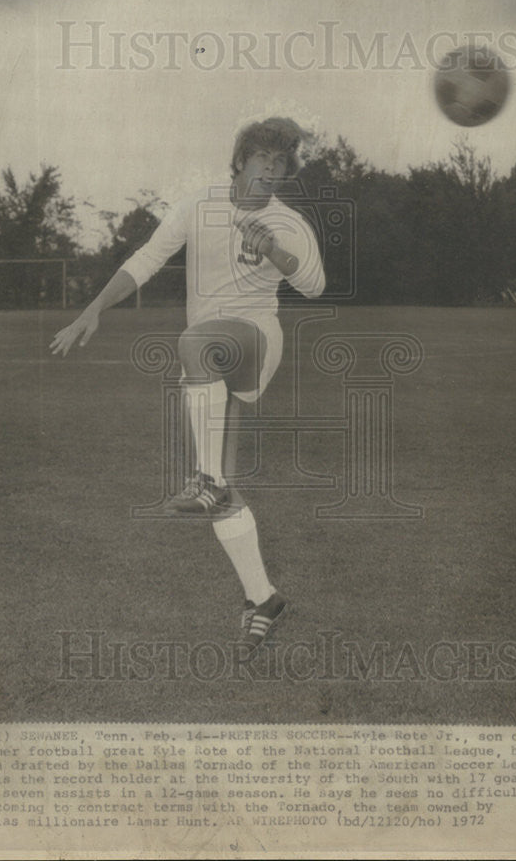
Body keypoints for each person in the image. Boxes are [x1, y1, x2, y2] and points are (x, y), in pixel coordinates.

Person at [50, 117, 326, 652]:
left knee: (195, 345)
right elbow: (149, 257)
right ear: (241, 158)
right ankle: (264, 597)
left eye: (282, 163)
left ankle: (206, 478)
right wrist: (93, 308)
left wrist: (274, 250)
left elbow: (313, 286)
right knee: (222, 489)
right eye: (263, 159)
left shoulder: (287, 223)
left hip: (254, 342)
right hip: (208, 360)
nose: (272, 171)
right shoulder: (199, 205)